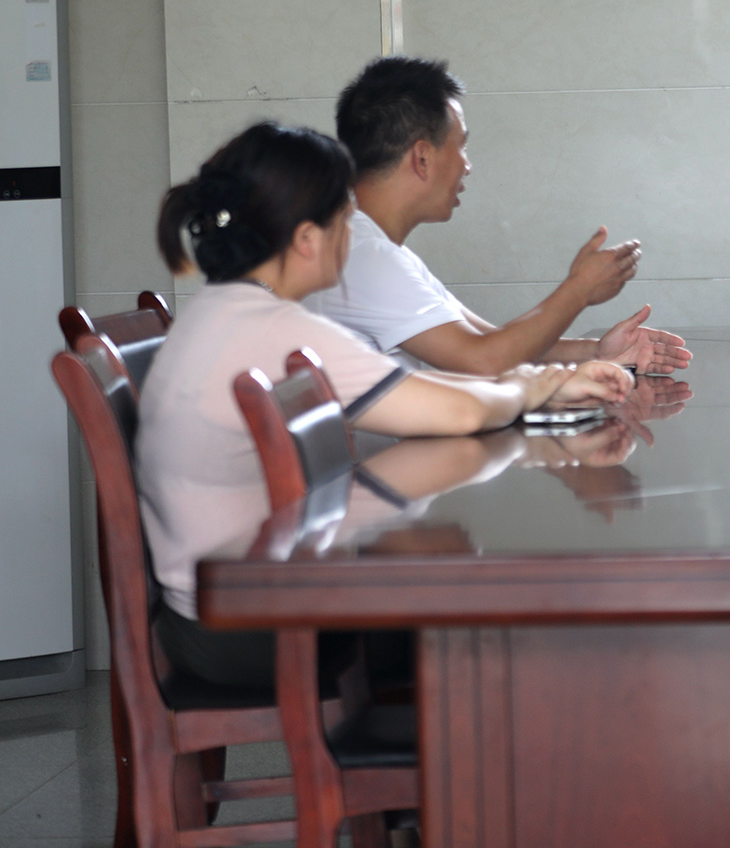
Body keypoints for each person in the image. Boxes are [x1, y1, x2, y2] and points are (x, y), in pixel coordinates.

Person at [139, 121, 634, 687]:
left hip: (215, 604)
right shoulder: (274, 328)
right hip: (242, 626)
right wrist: (531, 388)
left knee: (442, 552)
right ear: (308, 239)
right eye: (344, 218)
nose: (352, 234)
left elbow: (428, 392)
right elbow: (458, 413)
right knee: (461, 574)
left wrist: (540, 382)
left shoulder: (222, 311)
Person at [306, 57, 691, 376]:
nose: (467, 166)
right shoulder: (364, 255)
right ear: (422, 158)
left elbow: (495, 341)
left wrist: (598, 351)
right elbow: (485, 360)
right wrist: (579, 290)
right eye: (461, 146)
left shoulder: (374, 247)